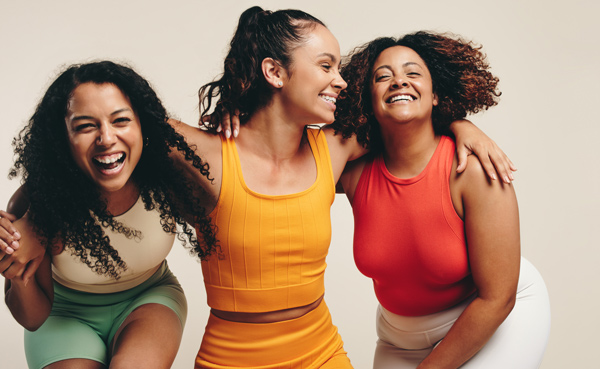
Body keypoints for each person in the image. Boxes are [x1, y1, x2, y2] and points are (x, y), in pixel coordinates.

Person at [1, 8, 515, 369]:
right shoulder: (204, 156)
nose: (341, 81)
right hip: (232, 356)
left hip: (320, 351)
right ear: (274, 72)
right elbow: (97, 141)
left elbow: (406, 114)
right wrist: (24, 216)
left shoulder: (335, 147)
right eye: (326, 66)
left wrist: (463, 126)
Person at [333, 31, 551, 368]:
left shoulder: (472, 169)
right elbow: (285, 152)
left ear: (435, 95)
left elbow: (498, 298)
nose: (398, 82)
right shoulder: (353, 173)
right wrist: (232, 115)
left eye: (413, 73)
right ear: (368, 99)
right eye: (383, 76)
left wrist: (460, 124)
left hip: (495, 316)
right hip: (398, 338)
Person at [1, 61, 218, 369]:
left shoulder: (167, 177)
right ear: (62, 138)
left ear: (143, 124)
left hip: (148, 300)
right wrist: (17, 275)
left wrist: (240, 121)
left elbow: (233, 201)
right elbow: (33, 318)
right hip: (62, 316)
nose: (106, 138)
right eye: (85, 126)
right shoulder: (37, 202)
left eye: (121, 120)